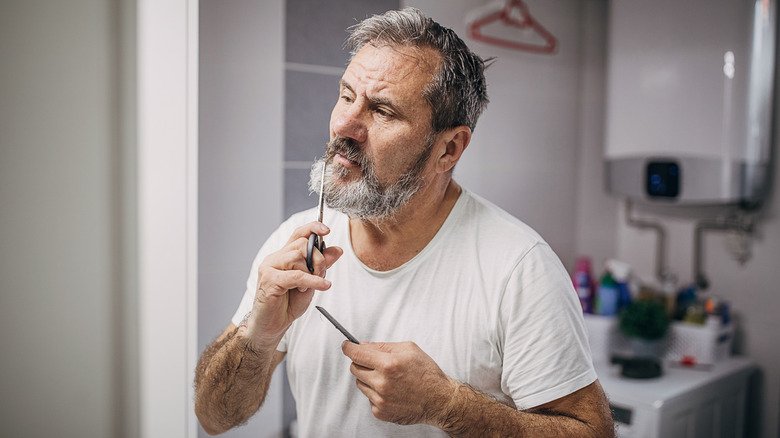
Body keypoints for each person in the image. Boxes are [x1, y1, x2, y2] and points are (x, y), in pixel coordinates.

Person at [195, 7, 614, 437]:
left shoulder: (519, 269)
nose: (343, 124)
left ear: (449, 149)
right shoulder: (295, 243)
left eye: (382, 111)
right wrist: (257, 338)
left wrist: (448, 405)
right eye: (346, 95)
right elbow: (214, 418)